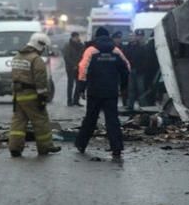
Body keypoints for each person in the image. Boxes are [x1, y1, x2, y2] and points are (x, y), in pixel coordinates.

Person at [75, 27, 130, 159]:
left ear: (96, 36)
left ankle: (81, 144)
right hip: (111, 92)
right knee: (112, 120)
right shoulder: (116, 50)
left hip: (94, 91)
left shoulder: (91, 50)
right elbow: (126, 67)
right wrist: (123, 86)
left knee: (90, 119)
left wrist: (81, 88)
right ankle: (116, 149)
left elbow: (83, 69)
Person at [8, 33, 61, 157]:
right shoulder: (36, 59)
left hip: (18, 96)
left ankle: (15, 147)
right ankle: (45, 147)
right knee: (41, 121)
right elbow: (40, 80)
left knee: (18, 122)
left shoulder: (17, 56)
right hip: (32, 96)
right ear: (40, 45)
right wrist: (43, 97)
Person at [123, 30, 147, 111]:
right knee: (131, 89)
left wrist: (141, 68)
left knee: (141, 89)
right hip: (131, 70)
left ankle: (143, 106)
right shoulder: (127, 47)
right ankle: (130, 105)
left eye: (133, 36)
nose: (131, 38)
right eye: (130, 36)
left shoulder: (141, 47)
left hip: (139, 71)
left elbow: (145, 59)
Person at [62, 32, 84, 106]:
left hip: (79, 67)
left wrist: (80, 65)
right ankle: (69, 101)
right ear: (72, 37)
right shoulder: (68, 45)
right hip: (70, 68)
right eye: (75, 37)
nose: (77, 38)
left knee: (78, 84)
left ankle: (76, 100)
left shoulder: (81, 45)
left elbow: (82, 55)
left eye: (77, 37)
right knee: (70, 84)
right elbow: (66, 57)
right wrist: (73, 65)